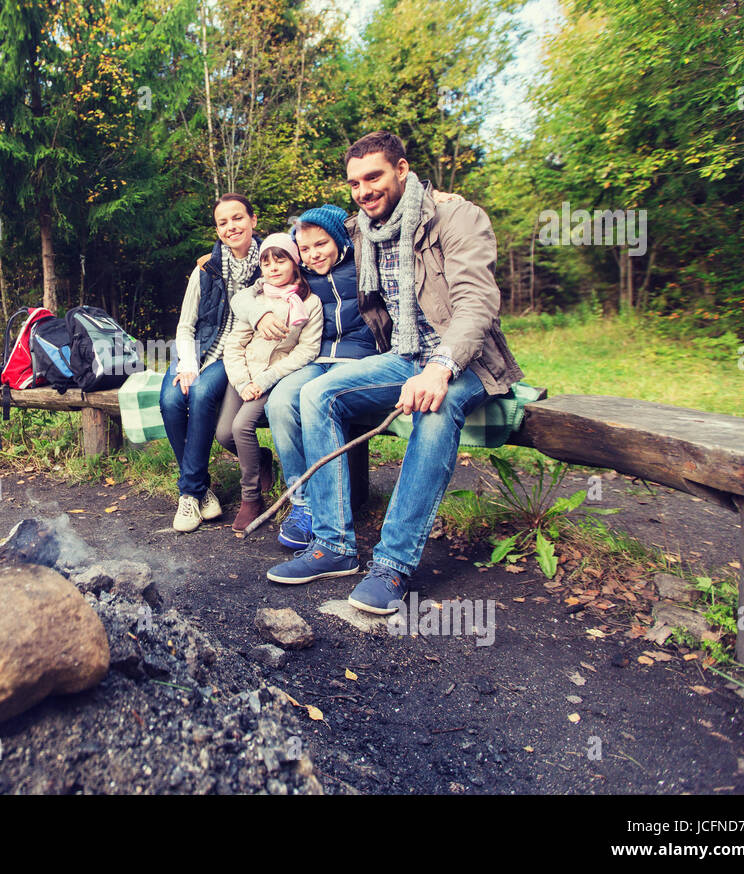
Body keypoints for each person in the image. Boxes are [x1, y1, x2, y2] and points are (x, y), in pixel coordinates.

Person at [265, 131, 524, 616]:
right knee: (317, 393)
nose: (364, 189)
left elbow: (477, 303)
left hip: (465, 360)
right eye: (354, 182)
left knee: (437, 405)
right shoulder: (363, 228)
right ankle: (332, 544)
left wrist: (441, 368)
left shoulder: (457, 216)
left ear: (402, 170)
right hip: (404, 355)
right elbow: (312, 239)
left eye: (374, 176)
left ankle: (391, 564)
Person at [261, 204, 384, 549]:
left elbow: (382, 222)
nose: (313, 255)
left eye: (322, 244)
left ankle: (332, 509)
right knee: (282, 402)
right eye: (305, 247)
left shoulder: (365, 262)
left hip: (360, 359)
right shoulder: (298, 275)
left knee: (316, 398)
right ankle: (304, 503)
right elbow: (260, 281)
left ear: (340, 240)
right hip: (315, 358)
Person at [160, 194, 262, 532]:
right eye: (223, 222)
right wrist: (187, 363)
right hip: (197, 349)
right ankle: (202, 488)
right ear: (217, 230)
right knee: (172, 398)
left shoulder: (272, 263)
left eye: (237, 218)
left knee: (201, 394)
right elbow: (186, 325)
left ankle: (188, 494)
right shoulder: (206, 268)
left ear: (253, 221)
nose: (231, 227)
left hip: (232, 355)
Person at [216, 232, 324, 532]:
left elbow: (307, 350)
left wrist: (265, 380)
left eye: (281, 260)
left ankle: (251, 498)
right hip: (242, 377)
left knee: (241, 427)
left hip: (273, 379)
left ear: (294, 262)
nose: (273, 268)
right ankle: (261, 458)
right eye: (266, 262)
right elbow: (233, 345)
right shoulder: (254, 299)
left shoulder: (309, 303)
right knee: (225, 434)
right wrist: (241, 382)